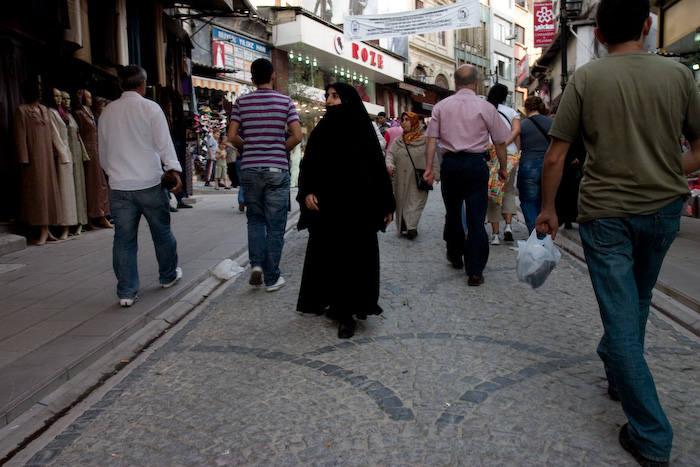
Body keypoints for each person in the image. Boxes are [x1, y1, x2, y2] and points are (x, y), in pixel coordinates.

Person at [535, 1, 700, 465]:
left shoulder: (586, 78)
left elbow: (556, 156)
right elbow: (699, 148)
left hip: (605, 213)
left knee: (621, 318)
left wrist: (548, 209)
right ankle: (616, 368)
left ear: (600, 35)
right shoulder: (680, 76)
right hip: (664, 212)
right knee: (639, 300)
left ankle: (650, 435)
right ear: (648, 26)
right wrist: (668, 170)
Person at [296, 83, 395, 338]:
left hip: (358, 208)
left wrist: (386, 204)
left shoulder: (362, 131)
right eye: (327, 96)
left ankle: (348, 313)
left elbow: (376, 169)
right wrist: (306, 191)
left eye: (335, 96)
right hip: (329, 207)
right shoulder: (322, 130)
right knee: (331, 256)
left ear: (348, 99)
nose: (329, 101)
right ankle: (335, 304)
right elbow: (309, 166)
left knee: (355, 258)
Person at [97, 64, 184, 307]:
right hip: (149, 183)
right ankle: (167, 276)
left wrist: (112, 174)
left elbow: (102, 152)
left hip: (120, 186)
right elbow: (164, 145)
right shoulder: (150, 108)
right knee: (162, 232)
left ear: (120, 84)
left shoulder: (107, 112)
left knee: (123, 240)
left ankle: (126, 292)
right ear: (143, 84)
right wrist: (173, 172)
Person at [423, 65, 509, 286]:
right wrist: (502, 167)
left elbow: (431, 139)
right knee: (476, 218)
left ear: (455, 82)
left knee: (453, 213)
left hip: (451, 164)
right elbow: (500, 142)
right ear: (476, 82)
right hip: (475, 164)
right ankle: (475, 271)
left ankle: (454, 253)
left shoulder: (441, 107)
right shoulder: (486, 107)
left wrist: (429, 167)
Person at [227, 58, 302, 292]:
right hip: (276, 170)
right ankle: (271, 278)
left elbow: (231, 136)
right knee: (276, 225)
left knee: (255, 220)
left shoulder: (241, 102)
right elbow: (297, 136)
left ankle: (256, 265)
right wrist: (280, 148)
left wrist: (247, 146)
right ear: (273, 76)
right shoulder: (285, 102)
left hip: (249, 169)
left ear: (251, 79)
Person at [13, 80, 62, 245]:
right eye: (37, 90)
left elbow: (50, 133)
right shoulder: (22, 110)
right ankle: (41, 229)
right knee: (38, 193)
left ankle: (48, 228)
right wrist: (24, 158)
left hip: (46, 155)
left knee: (49, 191)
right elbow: (20, 136)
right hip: (33, 156)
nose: (40, 93)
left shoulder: (45, 110)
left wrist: (54, 152)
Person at [385, 111, 439, 239]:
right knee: (402, 201)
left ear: (414, 122)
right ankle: (405, 226)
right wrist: (389, 164)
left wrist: (435, 173)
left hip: (417, 178)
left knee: (415, 201)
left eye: (407, 120)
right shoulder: (399, 141)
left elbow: (432, 156)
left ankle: (412, 227)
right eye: (402, 120)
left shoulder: (425, 140)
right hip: (400, 178)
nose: (403, 122)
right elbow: (390, 155)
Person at [485, 83, 520, 245]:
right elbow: (516, 131)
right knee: (508, 190)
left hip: (491, 153)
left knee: (493, 192)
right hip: (511, 154)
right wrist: (505, 144)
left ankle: (495, 234)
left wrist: (497, 145)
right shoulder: (511, 112)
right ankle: (508, 226)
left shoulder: (486, 109)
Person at [74, 89, 112, 230]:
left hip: (96, 150)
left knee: (100, 184)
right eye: (88, 98)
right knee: (92, 185)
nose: (90, 100)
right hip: (88, 151)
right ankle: (94, 217)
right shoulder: (80, 114)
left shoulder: (89, 114)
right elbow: (81, 135)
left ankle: (102, 214)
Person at [517, 95, 553, 233]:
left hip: (528, 165)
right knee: (546, 203)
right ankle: (545, 236)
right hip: (548, 166)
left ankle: (536, 234)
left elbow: (518, 147)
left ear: (526, 108)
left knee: (529, 202)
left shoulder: (521, 125)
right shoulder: (551, 122)